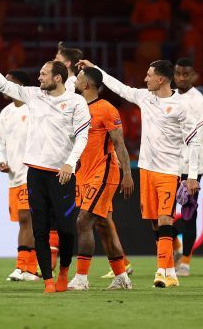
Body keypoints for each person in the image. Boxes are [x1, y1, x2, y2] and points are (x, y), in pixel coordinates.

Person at [76, 58, 202, 288]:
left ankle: (163, 272)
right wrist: (95, 68)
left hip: (169, 170)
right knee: (155, 222)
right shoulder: (146, 98)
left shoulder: (182, 107)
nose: (145, 79)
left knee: (165, 218)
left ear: (161, 79)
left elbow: (194, 142)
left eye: (149, 75)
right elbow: (120, 87)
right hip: (146, 170)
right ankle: (170, 271)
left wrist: (192, 175)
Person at [0, 41, 91, 293]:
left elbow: (83, 136)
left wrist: (69, 163)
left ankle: (64, 269)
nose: (38, 77)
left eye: (43, 74)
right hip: (36, 172)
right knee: (38, 226)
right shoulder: (34, 96)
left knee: (65, 229)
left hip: (62, 174)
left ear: (58, 78)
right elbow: (4, 85)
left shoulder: (75, 103)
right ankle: (49, 280)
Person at [67, 68, 134, 291]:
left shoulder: (106, 109)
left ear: (86, 84)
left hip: (104, 172)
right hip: (83, 174)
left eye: (79, 76)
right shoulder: (77, 107)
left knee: (83, 221)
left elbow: (119, 143)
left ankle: (81, 279)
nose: (75, 79)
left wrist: (127, 174)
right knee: (104, 225)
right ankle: (122, 277)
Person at [0, 70, 38, 282]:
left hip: (31, 173)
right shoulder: (5, 113)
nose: (4, 85)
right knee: (24, 220)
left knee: (25, 217)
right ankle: (31, 268)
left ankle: (23, 267)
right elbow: (0, 142)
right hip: (13, 174)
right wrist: (1, 160)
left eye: (8, 82)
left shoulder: (34, 109)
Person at [172, 58, 203, 277]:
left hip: (191, 166)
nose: (182, 78)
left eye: (186, 74)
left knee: (188, 215)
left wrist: (192, 174)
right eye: (178, 73)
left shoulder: (198, 101)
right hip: (170, 164)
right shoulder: (170, 97)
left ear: (194, 75)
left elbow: (193, 137)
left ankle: (185, 261)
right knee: (162, 215)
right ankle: (174, 246)